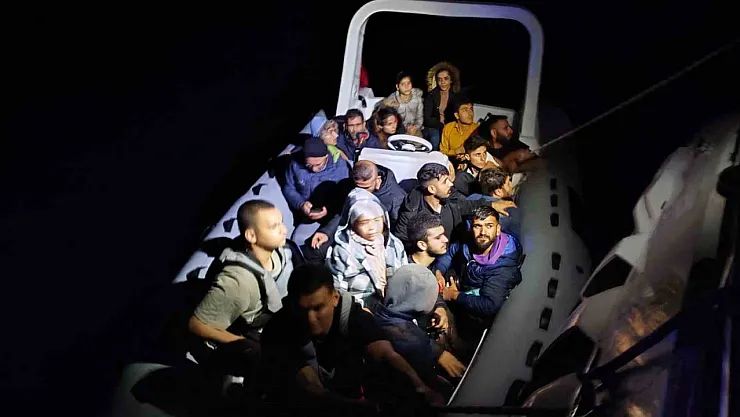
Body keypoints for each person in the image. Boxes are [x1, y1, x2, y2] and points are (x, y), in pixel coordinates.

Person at [260, 264, 444, 415]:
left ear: (335, 297)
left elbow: (385, 354)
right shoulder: (278, 330)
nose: (311, 319)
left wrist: (421, 388)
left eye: (318, 308)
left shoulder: (354, 317)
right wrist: (357, 407)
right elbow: (309, 386)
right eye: (303, 310)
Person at [188, 200, 295, 385]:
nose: (284, 230)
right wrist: (243, 344)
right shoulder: (238, 281)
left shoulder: (279, 252)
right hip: (254, 333)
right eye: (274, 226)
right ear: (251, 235)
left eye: (282, 223)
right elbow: (197, 324)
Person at [326, 188, 407, 309]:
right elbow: (337, 292)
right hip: (359, 313)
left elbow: (405, 278)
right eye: (364, 222)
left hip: (395, 309)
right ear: (352, 223)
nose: (372, 227)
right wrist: (359, 311)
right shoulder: (342, 251)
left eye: (377, 220)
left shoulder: (394, 245)